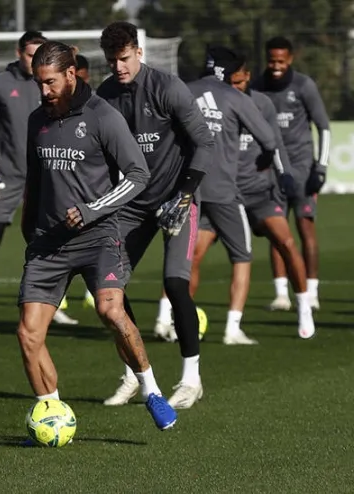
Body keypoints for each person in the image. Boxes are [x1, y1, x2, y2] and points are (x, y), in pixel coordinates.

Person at [17, 41, 177, 432]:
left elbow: (138, 175)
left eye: (51, 82)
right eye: (39, 83)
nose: (44, 91)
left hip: (98, 236)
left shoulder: (103, 116)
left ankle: (151, 389)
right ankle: (51, 413)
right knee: (28, 334)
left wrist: (93, 209)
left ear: (71, 75)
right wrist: (29, 228)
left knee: (110, 312)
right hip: (48, 243)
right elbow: (34, 181)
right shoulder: (37, 120)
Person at [95, 22, 215, 409]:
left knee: (176, 284)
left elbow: (204, 142)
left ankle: (191, 380)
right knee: (109, 291)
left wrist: (185, 194)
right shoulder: (104, 96)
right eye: (111, 60)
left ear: (138, 52)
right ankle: (133, 373)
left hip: (177, 198)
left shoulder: (168, 88)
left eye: (124, 58)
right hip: (132, 204)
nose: (118, 67)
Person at [0, 31, 79, 328]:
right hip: (6, 176)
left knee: (52, 242)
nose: (35, 61)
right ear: (18, 53)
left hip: (46, 175)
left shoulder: (50, 82)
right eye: (30, 55)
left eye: (40, 55)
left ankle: (52, 304)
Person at [209, 49, 315, 339]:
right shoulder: (216, 104)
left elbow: (274, 143)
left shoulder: (262, 104)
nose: (236, 88)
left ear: (247, 77)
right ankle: (167, 316)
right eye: (231, 83)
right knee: (193, 252)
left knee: (287, 242)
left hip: (258, 193)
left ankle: (304, 307)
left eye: (240, 82)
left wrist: (285, 175)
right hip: (224, 195)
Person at [187, 46, 286, 345]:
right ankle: (232, 328)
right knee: (242, 256)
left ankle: (166, 318)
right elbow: (269, 140)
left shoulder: (183, 91)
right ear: (229, 71)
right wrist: (266, 160)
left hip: (188, 190)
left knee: (185, 257)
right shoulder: (234, 97)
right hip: (224, 193)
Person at [250, 37, 330, 312]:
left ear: (290, 59)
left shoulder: (304, 86)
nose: (276, 66)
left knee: (306, 228)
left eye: (281, 61)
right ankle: (281, 294)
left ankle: (312, 291)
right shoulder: (257, 86)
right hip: (272, 171)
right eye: (272, 61)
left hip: (302, 169)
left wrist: (321, 168)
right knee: (277, 230)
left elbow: (323, 126)